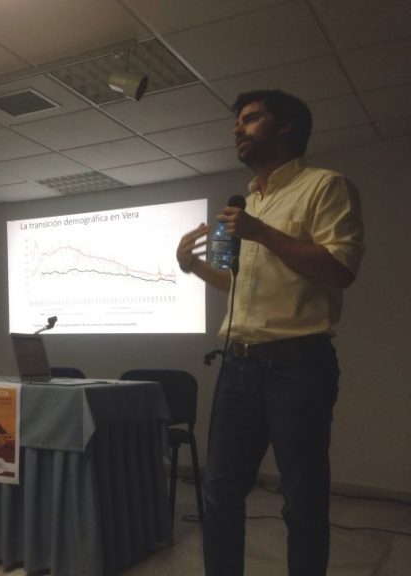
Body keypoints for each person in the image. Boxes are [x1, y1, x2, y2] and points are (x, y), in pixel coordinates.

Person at [176, 89, 365, 576]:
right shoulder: (250, 200)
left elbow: (340, 269)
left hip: (298, 367)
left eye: (251, 118)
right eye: (238, 121)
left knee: (302, 499)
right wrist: (194, 266)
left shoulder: (324, 186)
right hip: (237, 365)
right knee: (220, 492)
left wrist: (261, 232)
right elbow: (238, 283)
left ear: (286, 127)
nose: (237, 128)